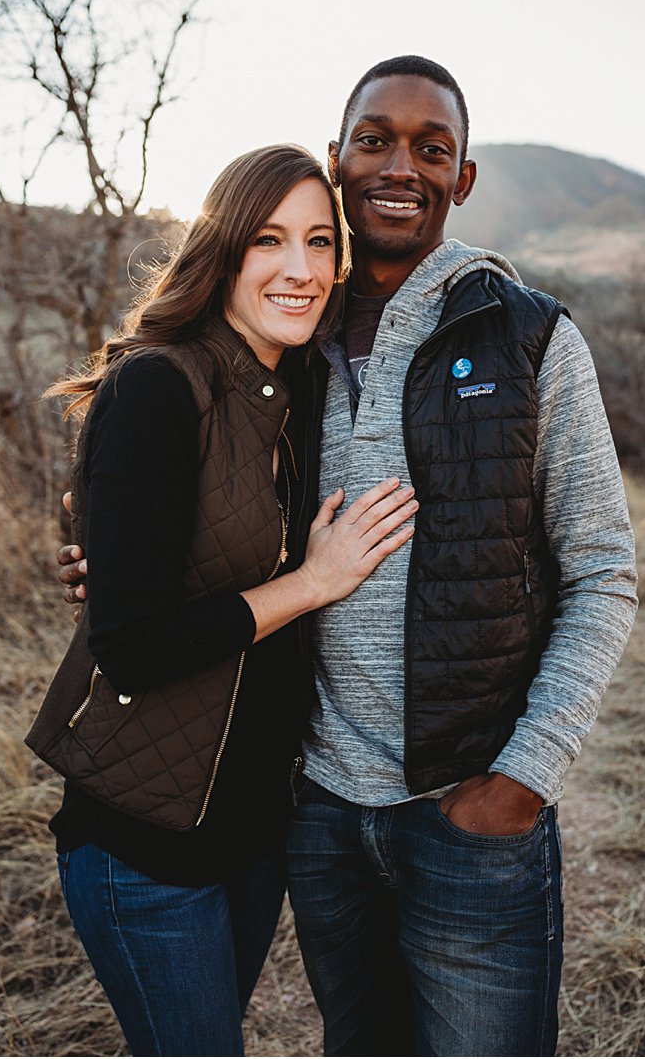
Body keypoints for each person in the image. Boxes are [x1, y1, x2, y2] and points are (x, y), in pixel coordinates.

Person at [59, 57, 639, 1057]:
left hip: (469, 809)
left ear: (462, 178)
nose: (399, 164)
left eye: (431, 146)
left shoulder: (530, 337)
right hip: (317, 812)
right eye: (374, 139)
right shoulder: (286, 349)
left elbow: (602, 573)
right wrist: (98, 558)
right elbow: (183, 504)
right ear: (338, 160)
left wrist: (524, 775)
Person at [27, 143, 418, 1055]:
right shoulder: (161, 384)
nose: (299, 268)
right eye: (270, 240)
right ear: (225, 250)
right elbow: (132, 643)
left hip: (250, 835)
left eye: (321, 243)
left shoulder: (292, 388)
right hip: (143, 845)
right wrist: (312, 583)